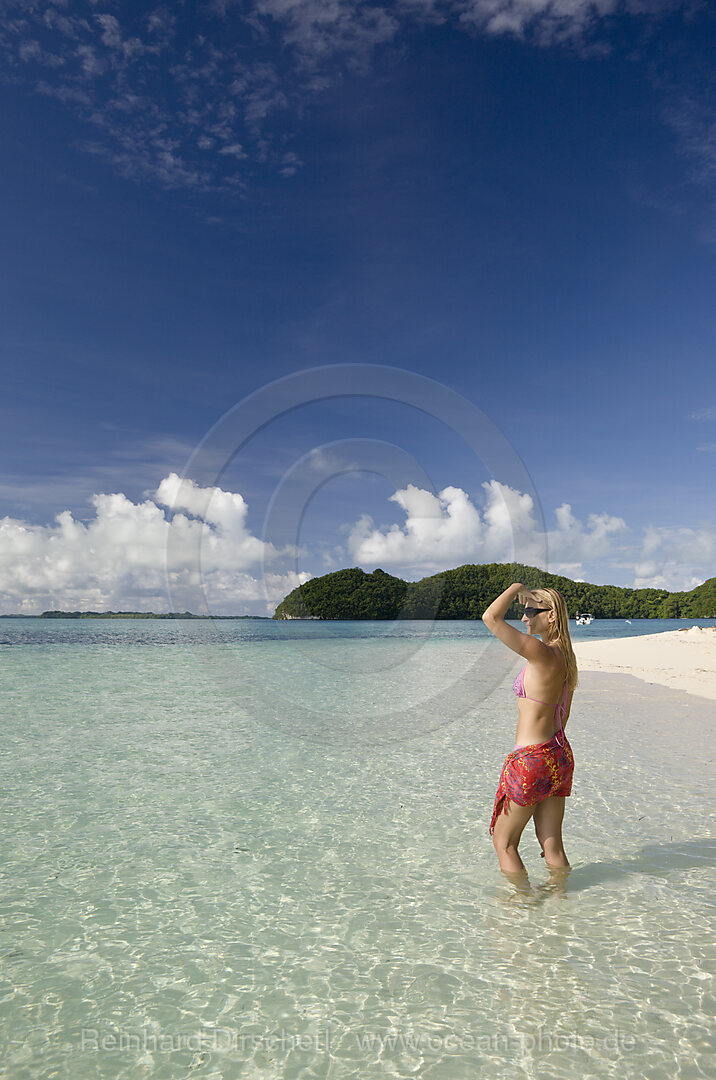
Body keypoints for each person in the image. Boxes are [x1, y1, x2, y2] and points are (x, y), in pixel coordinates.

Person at [482, 582, 577, 875]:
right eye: (523, 611)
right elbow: (563, 717)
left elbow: (491, 618)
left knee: (504, 842)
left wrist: (515, 587)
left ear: (551, 616)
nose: (524, 618)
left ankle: (520, 910)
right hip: (557, 754)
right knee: (553, 847)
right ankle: (560, 906)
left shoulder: (540, 652)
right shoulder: (567, 659)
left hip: (531, 759)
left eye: (531, 611)